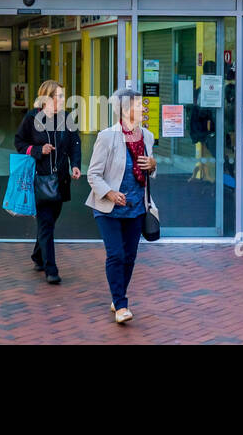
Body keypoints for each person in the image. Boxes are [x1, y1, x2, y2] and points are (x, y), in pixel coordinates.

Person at [86, 88, 157, 324]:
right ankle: (121, 304)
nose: (143, 108)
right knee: (116, 254)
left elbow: (149, 174)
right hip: (108, 208)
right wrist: (110, 193)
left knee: (129, 257)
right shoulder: (107, 136)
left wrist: (153, 165)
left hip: (136, 208)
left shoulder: (147, 136)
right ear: (125, 110)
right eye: (138, 105)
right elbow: (93, 175)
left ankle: (117, 297)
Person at [14, 80, 82, 285]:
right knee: (45, 223)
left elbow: (74, 143)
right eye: (59, 96)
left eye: (63, 96)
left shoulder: (67, 118)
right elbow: (19, 142)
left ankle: (37, 255)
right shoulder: (32, 117)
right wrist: (37, 150)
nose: (63, 99)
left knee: (49, 223)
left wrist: (76, 165)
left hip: (60, 180)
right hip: (40, 179)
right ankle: (50, 269)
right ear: (47, 97)